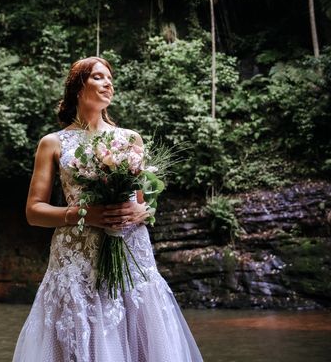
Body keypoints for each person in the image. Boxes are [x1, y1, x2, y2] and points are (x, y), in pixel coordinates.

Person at [12, 56, 203, 362]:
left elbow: (142, 203)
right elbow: (34, 212)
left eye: (110, 78)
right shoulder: (53, 143)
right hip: (77, 260)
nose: (108, 83)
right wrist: (83, 215)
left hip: (129, 251)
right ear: (78, 87)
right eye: (99, 77)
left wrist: (143, 212)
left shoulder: (129, 139)